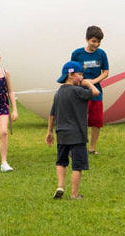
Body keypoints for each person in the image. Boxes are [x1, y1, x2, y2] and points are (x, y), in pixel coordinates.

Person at [46, 60, 99, 200]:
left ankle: (60, 186)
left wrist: (49, 132)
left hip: (61, 133)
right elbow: (95, 92)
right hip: (77, 135)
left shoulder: (58, 93)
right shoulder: (78, 91)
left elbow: (52, 114)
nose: (81, 77)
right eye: (80, 74)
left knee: (61, 161)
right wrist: (88, 83)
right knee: (77, 165)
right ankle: (74, 194)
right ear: (70, 75)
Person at [71, 25, 109, 155]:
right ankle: (76, 147)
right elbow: (72, 72)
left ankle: (92, 148)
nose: (96, 44)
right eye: (93, 41)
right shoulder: (77, 54)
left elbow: (105, 72)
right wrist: (81, 82)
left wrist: (93, 82)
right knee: (78, 120)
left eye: (98, 42)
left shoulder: (102, 54)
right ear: (87, 39)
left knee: (96, 121)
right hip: (80, 92)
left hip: (96, 92)